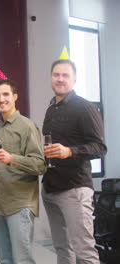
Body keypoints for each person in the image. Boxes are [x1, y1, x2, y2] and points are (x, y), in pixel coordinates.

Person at [42, 59, 107, 264]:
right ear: (51, 77)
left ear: (74, 79)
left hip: (75, 189)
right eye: (56, 75)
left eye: (65, 75)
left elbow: (100, 147)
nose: (60, 79)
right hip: (51, 188)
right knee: (63, 249)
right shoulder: (51, 109)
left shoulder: (84, 107)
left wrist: (69, 151)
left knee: (84, 252)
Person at [0, 79, 46, 264]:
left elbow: (40, 164)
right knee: (4, 259)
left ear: (15, 97)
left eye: (5, 94)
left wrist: (12, 158)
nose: (1, 99)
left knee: (22, 260)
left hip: (19, 204)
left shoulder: (26, 126)